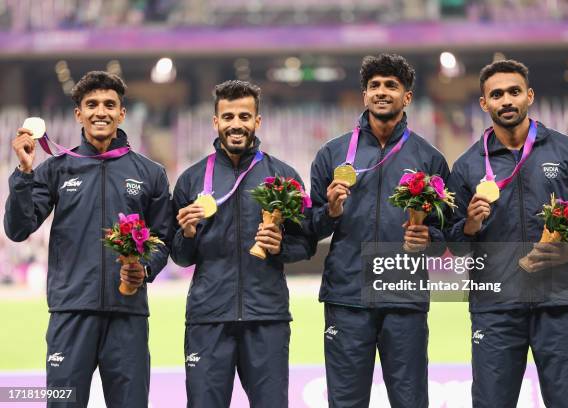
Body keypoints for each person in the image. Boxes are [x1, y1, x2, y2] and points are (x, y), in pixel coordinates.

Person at [446, 59, 568, 407]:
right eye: (497, 94)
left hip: (559, 305)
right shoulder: (467, 166)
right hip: (494, 309)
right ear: (484, 103)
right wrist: (470, 226)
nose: (506, 100)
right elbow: (455, 243)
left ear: (529, 95)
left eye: (514, 92)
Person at [4, 71, 172, 407]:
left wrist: (145, 268)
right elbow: (18, 229)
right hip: (71, 314)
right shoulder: (56, 169)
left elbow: (163, 237)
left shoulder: (149, 173)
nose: (101, 111)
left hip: (128, 315)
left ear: (121, 113)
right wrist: (24, 173)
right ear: (79, 114)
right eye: (91, 104)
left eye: (110, 104)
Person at [308, 53, 449, 407]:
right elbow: (309, 227)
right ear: (364, 95)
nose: (381, 92)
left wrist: (428, 238)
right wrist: (331, 211)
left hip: (404, 296)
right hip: (347, 297)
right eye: (374, 86)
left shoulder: (430, 159)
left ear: (407, 97)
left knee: (410, 400)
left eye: (391, 85)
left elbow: (446, 235)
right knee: (345, 401)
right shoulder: (332, 155)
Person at [171, 80, 314, 408]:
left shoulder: (283, 176)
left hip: (267, 319)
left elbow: (306, 241)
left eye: (245, 116)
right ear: (216, 121)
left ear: (257, 121)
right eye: (229, 116)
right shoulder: (192, 180)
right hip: (208, 320)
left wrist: (280, 246)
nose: (236, 124)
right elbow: (179, 256)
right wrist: (188, 233)